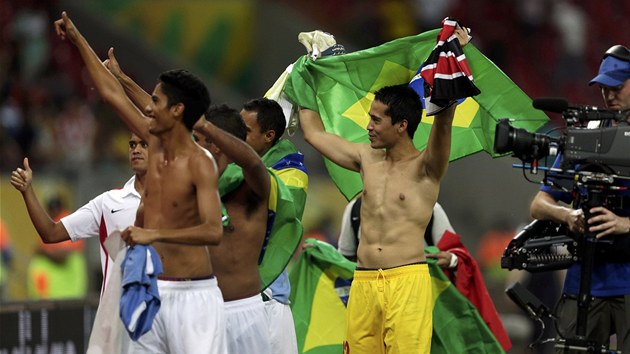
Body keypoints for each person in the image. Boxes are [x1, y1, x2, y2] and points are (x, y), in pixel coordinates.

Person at [54, 11, 226, 353]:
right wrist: (77, 38)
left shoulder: (199, 163)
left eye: (156, 102)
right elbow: (111, 94)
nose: (149, 109)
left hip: (195, 297)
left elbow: (213, 231)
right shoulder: (156, 145)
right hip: (151, 292)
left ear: (176, 111)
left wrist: (155, 234)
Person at [298, 26, 467, 350]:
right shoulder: (366, 158)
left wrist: (452, 53)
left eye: (376, 120)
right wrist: (308, 74)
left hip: (407, 284)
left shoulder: (427, 168)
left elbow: (444, 119)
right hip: (362, 284)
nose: (368, 127)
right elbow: (313, 134)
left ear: (402, 125)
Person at [529, 44, 630, 353]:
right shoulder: (588, 137)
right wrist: (568, 216)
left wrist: (625, 223)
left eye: (618, 85)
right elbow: (538, 204)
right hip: (583, 280)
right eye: (603, 87)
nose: (609, 94)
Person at [10, 134, 147, 299]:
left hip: (165, 309)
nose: (136, 150)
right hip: (118, 314)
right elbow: (51, 232)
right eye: (132, 145)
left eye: (144, 144)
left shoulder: (177, 200)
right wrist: (27, 191)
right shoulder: (109, 202)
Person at [193, 105, 272, 354]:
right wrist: (123, 81)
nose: (191, 146)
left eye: (198, 140)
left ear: (215, 143)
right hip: (201, 311)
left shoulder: (251, 187)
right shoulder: (194, 185)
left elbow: (253, 162)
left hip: (243, 313)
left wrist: (206, 126)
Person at [241, 97, 307, 354]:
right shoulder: (227, 165)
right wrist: (122, 80)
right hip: (229, 298)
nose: (236, 134)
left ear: (268, 136)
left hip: (270, 299)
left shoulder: (288, 173)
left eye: (244, 130)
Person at [338, 197, 456, 267]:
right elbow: (344, 261)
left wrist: (451, 260)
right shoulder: (355, 209)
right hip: (372, 300)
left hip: (417, 298)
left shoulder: (430, 209)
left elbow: (457, 254)